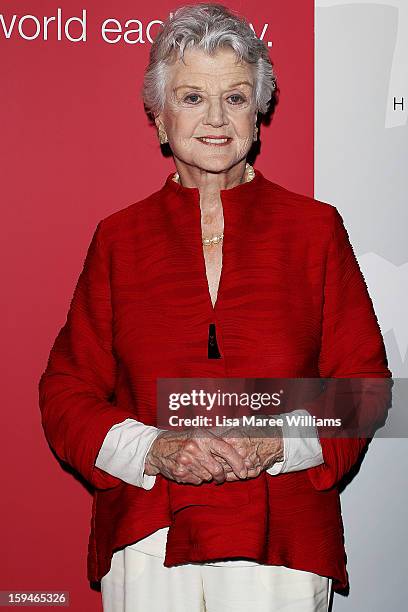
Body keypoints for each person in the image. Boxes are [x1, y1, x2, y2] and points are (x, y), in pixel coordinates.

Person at [38, 4, 392, 611]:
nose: (215, 120)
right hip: (150, 541)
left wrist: (276, 439)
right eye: (192, 97)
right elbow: (65, 393)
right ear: (159, 119)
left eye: (234, 97)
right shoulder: (118, 240)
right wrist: (154, 448)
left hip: (283, 545)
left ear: (257, 114)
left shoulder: (315, 230)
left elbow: (367, 389)